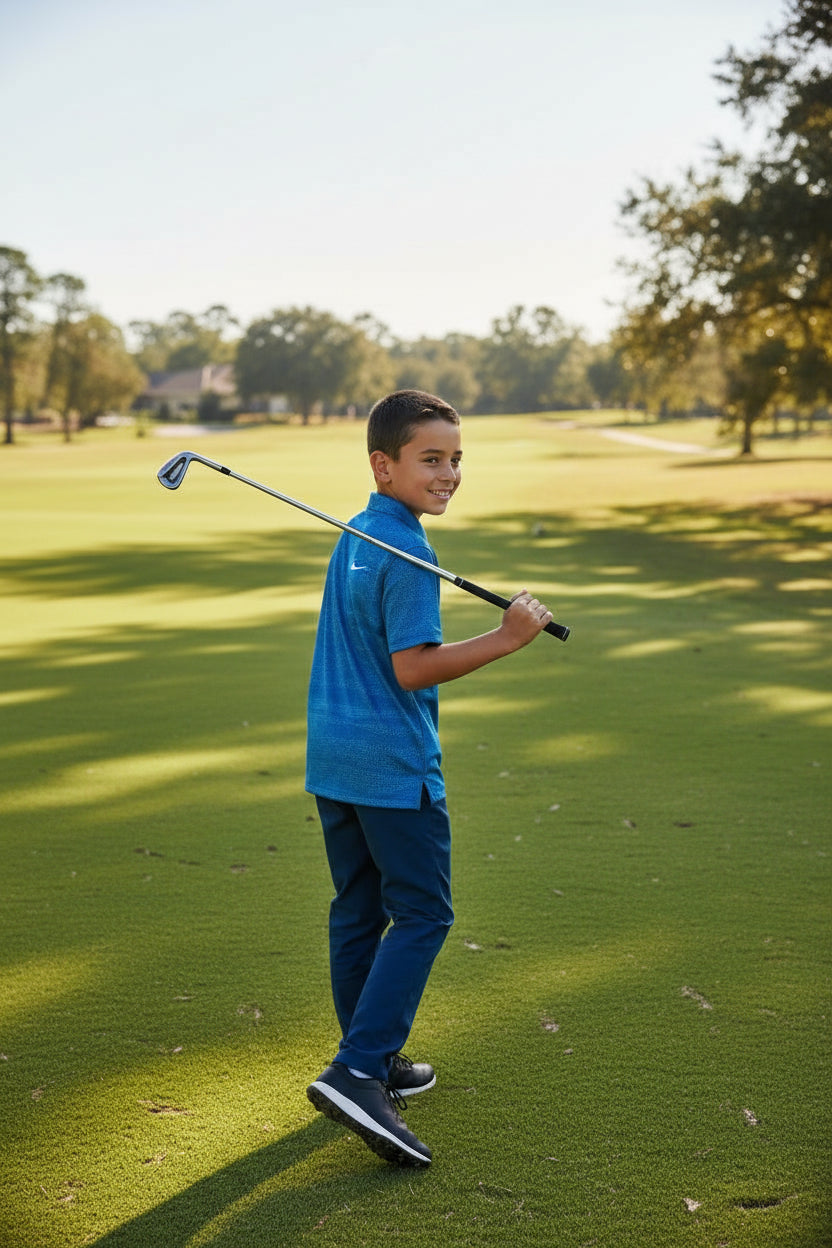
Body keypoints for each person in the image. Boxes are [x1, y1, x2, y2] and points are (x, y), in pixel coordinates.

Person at [305, 390, 554, 1167]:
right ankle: (356, 1069)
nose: (448, 474)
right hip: (390, 765)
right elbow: (412, 670)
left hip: (335, 759)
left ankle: (369, 1060)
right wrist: (507, 638)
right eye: (430, 459)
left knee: (359, 910)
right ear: (385, 465)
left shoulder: (359, 530)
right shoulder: (410, 552)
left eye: (456, 460)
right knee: (421, 914)